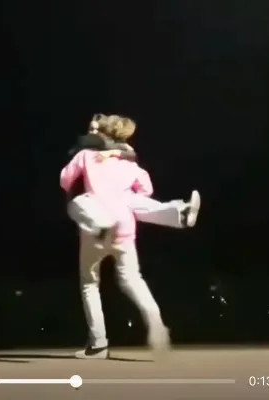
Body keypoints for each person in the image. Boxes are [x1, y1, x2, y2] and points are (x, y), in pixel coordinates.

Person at [60, 119, 170, 359]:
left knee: (89, 284)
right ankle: (154, 318)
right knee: (133, 279)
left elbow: (65, 180)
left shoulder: (85, 156)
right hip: (124, 230)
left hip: (94, 231)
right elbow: (146, 189)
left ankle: (98, 344)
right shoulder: (129, 162)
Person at [66, 114, 200, 246]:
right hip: (100, 207)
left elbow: (66, 180)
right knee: (86, 203)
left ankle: (180, 213)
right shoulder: (89, 150)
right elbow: (146, 187)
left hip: (110, 207)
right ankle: (100, 226)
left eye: (97, 130)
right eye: (91, 129)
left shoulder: (109, 151)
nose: (93, 133)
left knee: (132, 201)